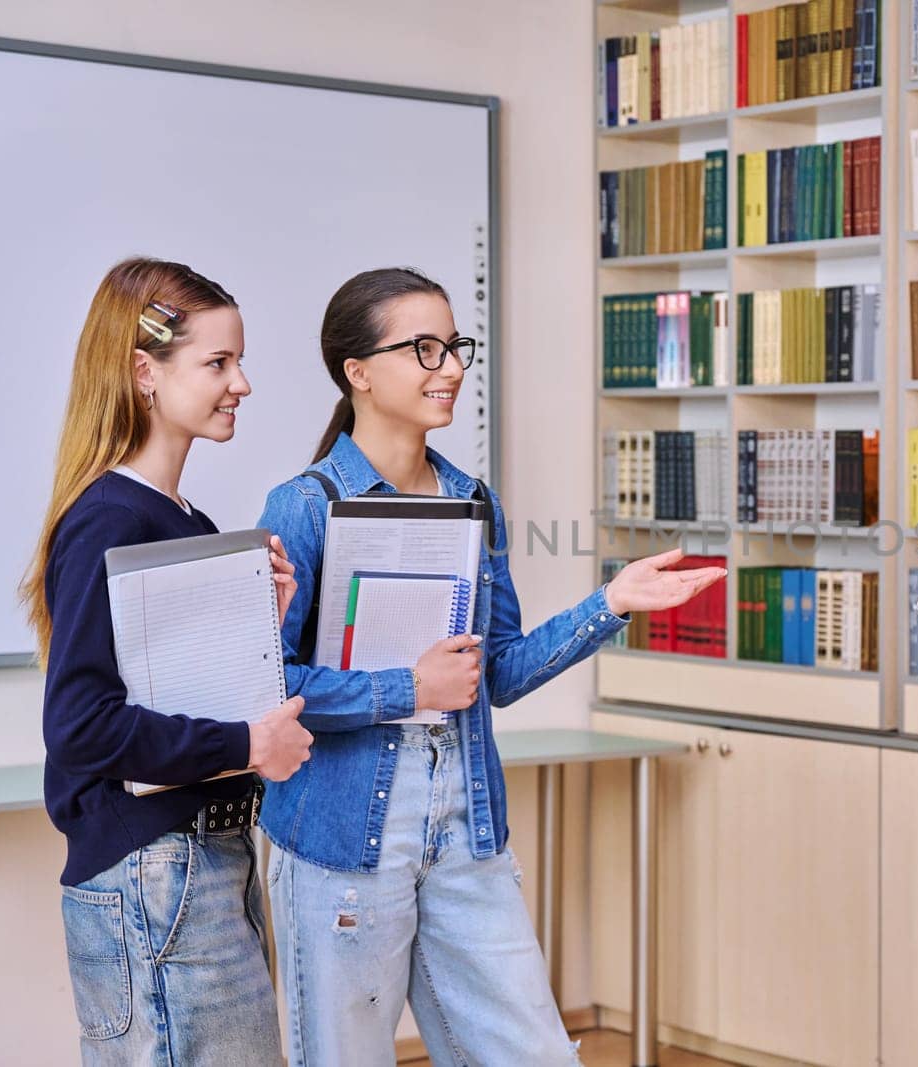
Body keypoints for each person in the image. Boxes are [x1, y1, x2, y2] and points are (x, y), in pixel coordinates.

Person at [258, 266, 725, 1066]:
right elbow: (271, 692)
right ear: (357, 372)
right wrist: (411, 687)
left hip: (466, 828)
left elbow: (498, 672)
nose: (452, 368)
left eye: (455, 347)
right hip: (341, 842)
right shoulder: (304, 505)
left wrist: (609, 602)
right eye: (425, 349)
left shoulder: (474, 499)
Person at [23, 257, 313, 1065]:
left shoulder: (185, 519)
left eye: (239, 360)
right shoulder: (108, 518)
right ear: (145, 372)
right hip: (156, 873)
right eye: (218, 363)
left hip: (205, 863)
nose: (242, 384)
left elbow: (174, 693)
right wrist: (250, 746)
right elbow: (82, 727)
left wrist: (263, 624)